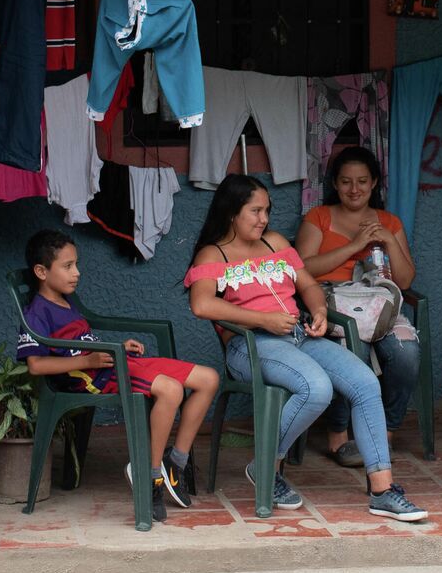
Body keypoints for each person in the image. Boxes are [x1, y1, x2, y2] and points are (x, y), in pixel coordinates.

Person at [184, 174, 429, 521]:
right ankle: (268, 466)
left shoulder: (275, 243)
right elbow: (202, 305)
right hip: (249, 346)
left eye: (266, 210)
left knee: (364, 383)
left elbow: (309, 285)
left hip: (298, 337)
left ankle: (382, 490)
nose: (263, 219)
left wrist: (317, 310)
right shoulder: (215, 253)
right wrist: (261, 319)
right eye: (254, 211)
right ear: (232, 212)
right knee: (316, 388)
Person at [15, 229, 220, 524]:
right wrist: (90, 359)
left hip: (110, 362)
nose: (77, 273)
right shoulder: (37, 312)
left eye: (76, 264)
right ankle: (149, 475)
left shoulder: (66, 300)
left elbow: (83, 339)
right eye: (68, 266)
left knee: (208, 378)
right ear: (41, 272)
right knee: (172, 390)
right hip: (93, 378)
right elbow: (35, 366)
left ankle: (175, 462)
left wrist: (116, 348)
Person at [295, 146, 420, 468]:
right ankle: (338, 434)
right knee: (353, 352)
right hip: (331, 300)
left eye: (362, 181)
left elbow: (405, 281)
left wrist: (388, 241)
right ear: (335, 184)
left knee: (406, 354)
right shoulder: (319, 217)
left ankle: (385, 433)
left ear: (374, 183)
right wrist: (355, 246)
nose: (354, 189)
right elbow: (303, 269)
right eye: (346, 181)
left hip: (380, 303)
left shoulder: (389, 222)